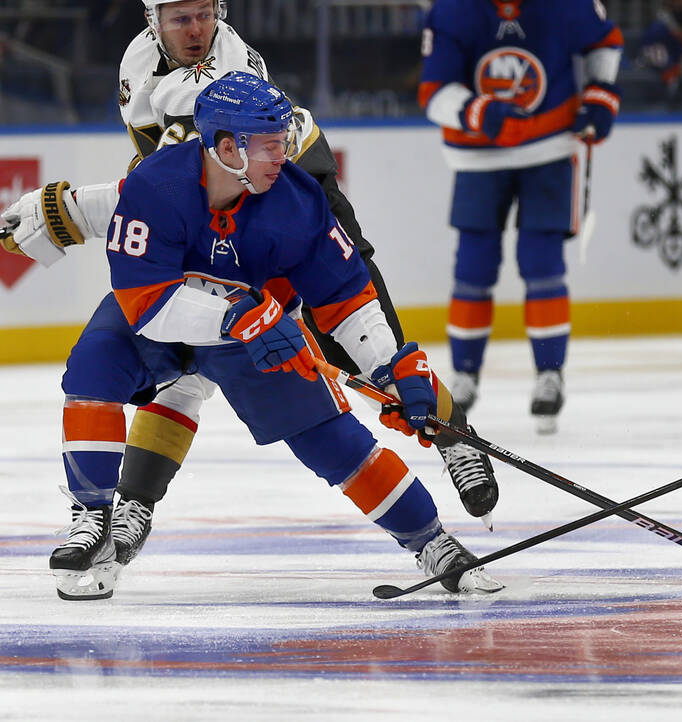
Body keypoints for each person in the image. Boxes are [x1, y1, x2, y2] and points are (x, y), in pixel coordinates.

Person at [1, 0, 499, 567]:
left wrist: (64, 213)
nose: (194, 29)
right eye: (178, 17)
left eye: (203, 15)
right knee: (179, 367)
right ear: (152, 21)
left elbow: (204, 178)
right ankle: (129, 505)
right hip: (217, 211)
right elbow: (170, 187)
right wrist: (64, 213)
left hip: (278, 204)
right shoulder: (139, 66)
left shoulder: (236, 88)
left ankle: (450, 433)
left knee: (361, 338)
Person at [417, 0, 624, 434]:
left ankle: (550, 373)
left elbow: (603, 41)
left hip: (549, 147)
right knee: (474, 266)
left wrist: (601, 96)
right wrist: (479, 111)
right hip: (477, 153)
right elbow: (433, 92)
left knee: (541, 260)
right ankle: (465, 375)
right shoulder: (454, 9)